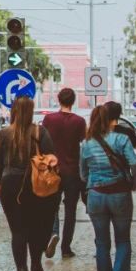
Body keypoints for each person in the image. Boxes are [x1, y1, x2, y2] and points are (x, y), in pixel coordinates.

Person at [0, 96, 59, 271]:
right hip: (34, 184)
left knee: (18, 230)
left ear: (13, 111)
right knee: (36, 227)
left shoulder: (4, 134)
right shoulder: (40, 131)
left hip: (10, 184)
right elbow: (51, 157)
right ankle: (36, 264)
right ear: (30, 112)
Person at [82, 104, 136, 271]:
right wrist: (135, 183)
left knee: (101, 244)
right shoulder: (122, 139)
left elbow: (83, 174)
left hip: (96, 195)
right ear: (111, 119)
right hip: (119, 194)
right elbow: (134, 164)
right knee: (123, 240)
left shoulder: (87, 144)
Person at [42, 87, 87, 258]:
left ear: (59, 100)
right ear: (73, 101)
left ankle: (53, 232)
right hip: (72, 171)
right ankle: (66, 248)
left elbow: (42, 142)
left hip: (52, 170)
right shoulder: (79, 122)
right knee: (70, 210)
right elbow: (83, 146)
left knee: (52, 206)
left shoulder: (49, 119)